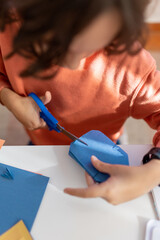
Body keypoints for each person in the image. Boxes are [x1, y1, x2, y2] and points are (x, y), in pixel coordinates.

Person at [0, 0, 160, 205]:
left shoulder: (132, 68)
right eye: (54, 48)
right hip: (41, 144)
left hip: (105, 146)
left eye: (92, 49)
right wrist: (8, 96)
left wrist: (152, 174)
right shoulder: (8, 24)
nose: (72, 65)